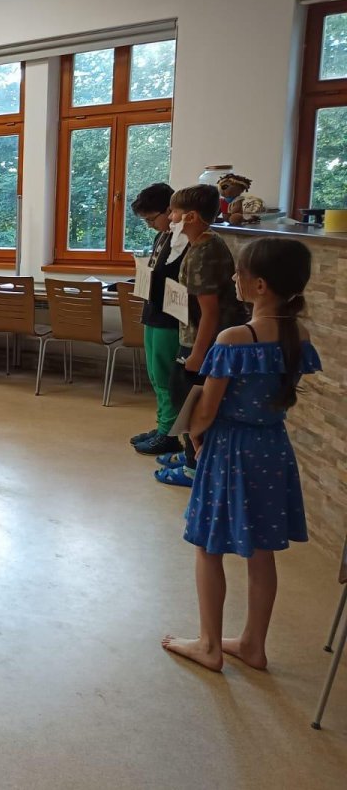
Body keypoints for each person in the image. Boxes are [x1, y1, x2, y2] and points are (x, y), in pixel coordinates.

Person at [161, 238, 321, 673]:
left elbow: (207, 409)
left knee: (207, 546)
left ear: (261, 285)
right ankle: (253, 644)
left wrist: (194, 437)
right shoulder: (299, 335)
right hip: (273, 447)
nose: (234, 278)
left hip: (230, 448)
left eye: (240, 272)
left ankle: (209, 645)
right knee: (261, 550)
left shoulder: (234, 339)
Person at [155, 185, 247, 487]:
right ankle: (190, 454)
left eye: (174, 212)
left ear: (191, 217)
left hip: (202, 342)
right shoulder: (199, 245)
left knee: (190, 402)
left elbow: (210, 312)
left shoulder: (205, 253)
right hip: (194, 336)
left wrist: (197, 353)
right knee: (181, 394)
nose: (170, 218)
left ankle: (195, 467)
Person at [127, 183, 185, 457]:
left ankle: (169, 433)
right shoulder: (162, 237)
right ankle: (162, 425)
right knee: (154, 374)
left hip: (170, 317)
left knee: (166, 376)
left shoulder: (183, 240)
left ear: (170, 210)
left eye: (152, 219)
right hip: (153, 312)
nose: (150, 225)